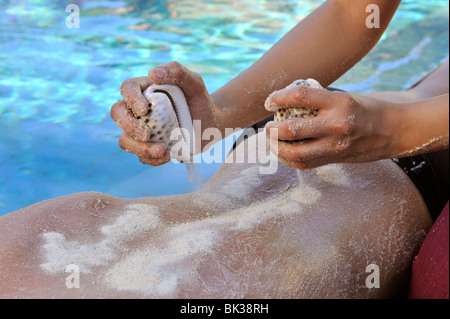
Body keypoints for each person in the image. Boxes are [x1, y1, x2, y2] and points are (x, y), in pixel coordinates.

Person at [0, 0, 447, 299]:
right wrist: (216, 113)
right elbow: (353, 14)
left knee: (212, 274)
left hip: (414, 155)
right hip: (353, 133)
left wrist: (393, 130)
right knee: (49, 236)